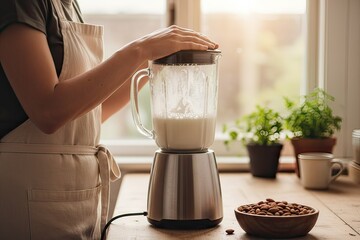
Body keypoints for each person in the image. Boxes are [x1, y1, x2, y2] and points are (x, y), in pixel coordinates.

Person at [0, 0, 218, 239]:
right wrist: (140, 50)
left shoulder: (68, 5)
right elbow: (48, 111)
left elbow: (89, 114)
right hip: (27, 197)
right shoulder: (20, 4)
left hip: (72, 199)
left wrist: (153, 62)